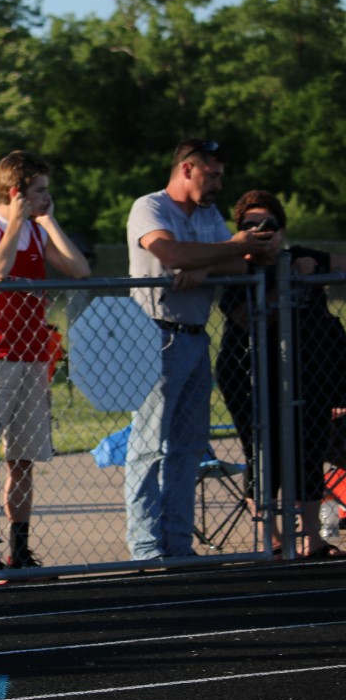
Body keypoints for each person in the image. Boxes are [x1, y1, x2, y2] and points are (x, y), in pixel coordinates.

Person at [125, 139, 278, 560]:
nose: (218, 184)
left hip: (194, 336)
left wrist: (206, 264)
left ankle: (178, 544)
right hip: (155, 335)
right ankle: (145, 546)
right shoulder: (150, 207)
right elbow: (170, 253)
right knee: (149, 446)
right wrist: (230, 247)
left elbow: (241, 263)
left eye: (220, 176)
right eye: (211, 174)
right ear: (187, 169)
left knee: (189, 447)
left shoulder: (209, 214)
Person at [0, 150, 90, 577]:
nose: (46, 197)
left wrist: (48, 222)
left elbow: (79, 269)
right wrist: (17, 221)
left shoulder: (36, 230)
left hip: (33, 354)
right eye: (40, 191)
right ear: (16, 192)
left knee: (23, 458)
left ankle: (19, 549)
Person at [215, 190, 346, 558]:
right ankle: (271, 540)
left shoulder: (300, 257)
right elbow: (245, 317)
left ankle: (311, 539)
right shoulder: (237, 267)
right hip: (250, 374)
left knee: (310, 450)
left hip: (310, 374)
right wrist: (289, 283)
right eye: (250, 226)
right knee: (262, 452)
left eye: (268, 225)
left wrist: (316, 272)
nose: (261, 231)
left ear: (282, 231)